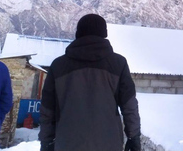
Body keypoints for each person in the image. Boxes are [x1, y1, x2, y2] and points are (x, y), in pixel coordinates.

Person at [39, 14, 141, 151]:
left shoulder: (58, 66)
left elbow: (47, 109)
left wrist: (46, 141)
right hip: (109, 143)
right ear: (104, 33)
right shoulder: (118, 64)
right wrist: (133, 137)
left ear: (78, 33)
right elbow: (129, 106)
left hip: (67, 143)